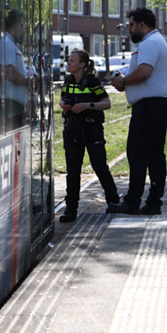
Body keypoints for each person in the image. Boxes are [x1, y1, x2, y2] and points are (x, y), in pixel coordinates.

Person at [108, 8, 167, 215]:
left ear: (142, 24)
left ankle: (133, 201)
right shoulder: (156, 41)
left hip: (150, 107)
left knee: (137, 153)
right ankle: (153, 202)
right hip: (157, 105)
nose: (129, 29)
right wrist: (125, 79)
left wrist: (123, 81)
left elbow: (144, 72)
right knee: (154, 155)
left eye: (131, 25)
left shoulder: (149, 43)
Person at [58, 49, 120, 222]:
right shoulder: (68, 80)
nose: (68, 63)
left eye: (72, 61)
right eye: (68, 60)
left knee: (99, 165)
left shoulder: (92, 81)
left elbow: (106, 103)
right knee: (72, 170)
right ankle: (71, 209)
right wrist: (63, 104)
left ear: (82, 65)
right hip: (72, 128)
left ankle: (114, 202)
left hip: (91, 128)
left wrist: (88, 105)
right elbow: (63, 99)